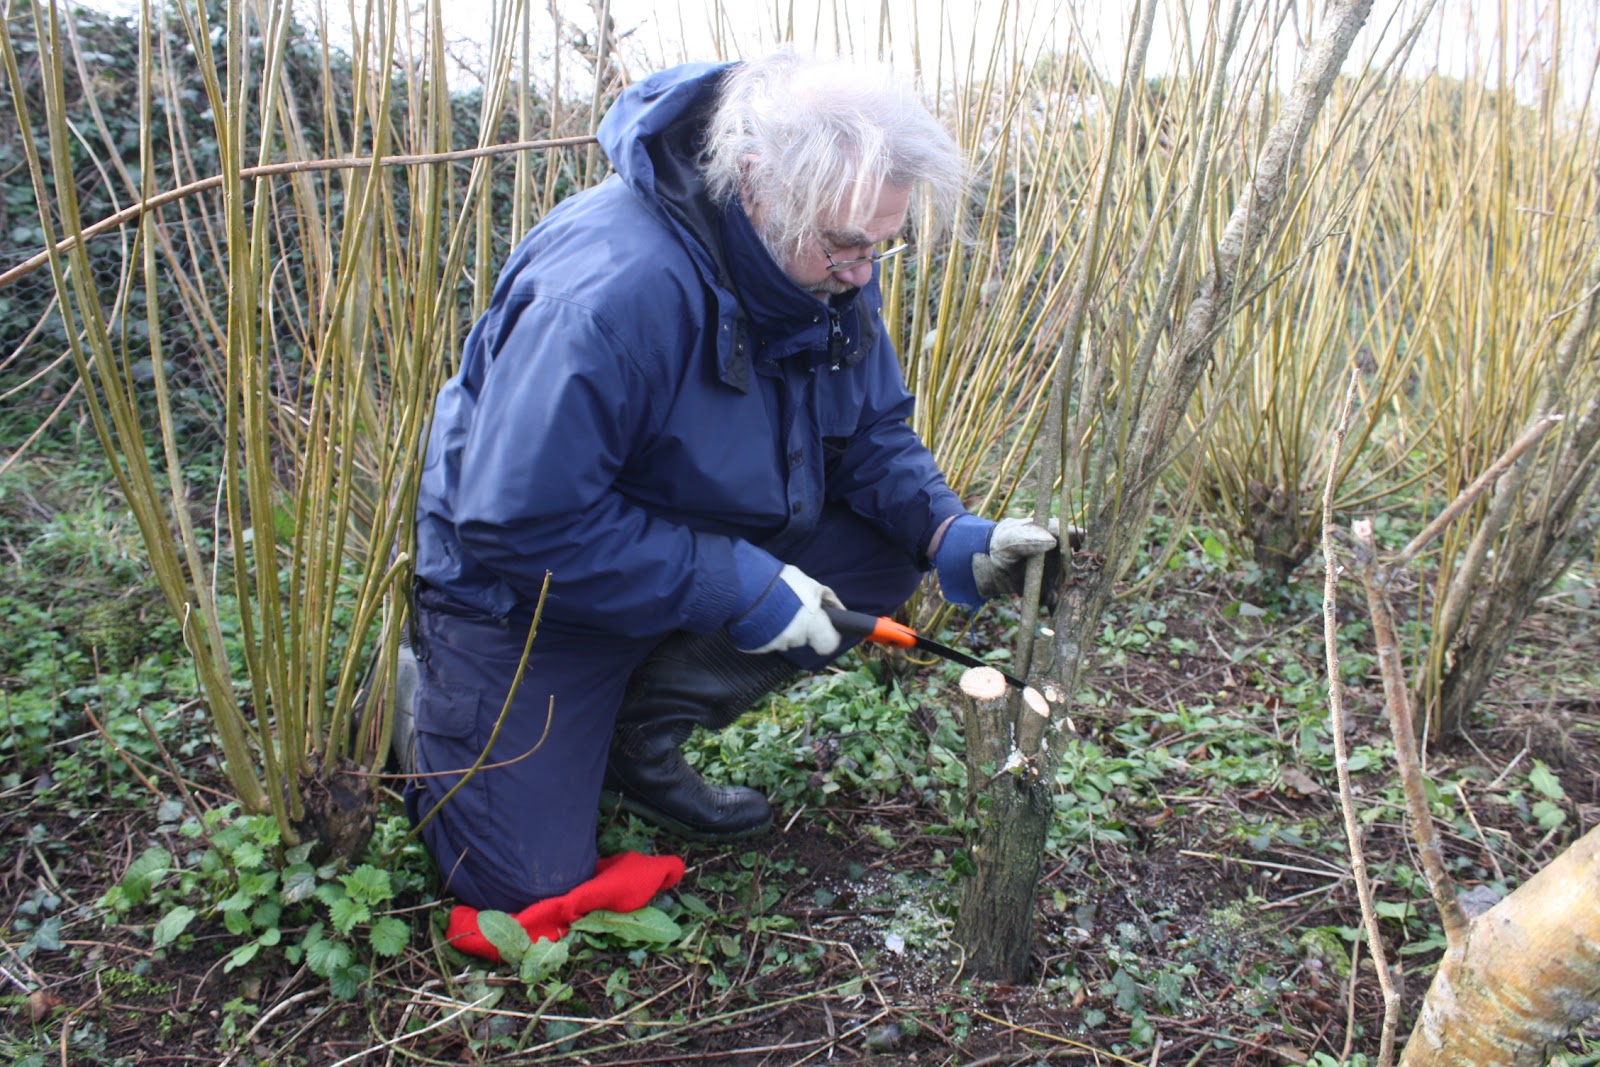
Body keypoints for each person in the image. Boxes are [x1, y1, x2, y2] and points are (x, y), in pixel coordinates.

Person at [408, 50, 1061, 913]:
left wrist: (950, 533)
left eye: (881, 248)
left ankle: (636, 727)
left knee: (881, 547)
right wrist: (733, 582)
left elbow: (867, 430)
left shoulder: (827, 269)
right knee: (520, 888)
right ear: (755, 183)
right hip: (530, 596)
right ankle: (430, 698)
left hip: (670, 548)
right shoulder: (606, 296)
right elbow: (519, 520)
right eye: (846, 245)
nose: (864, 274)